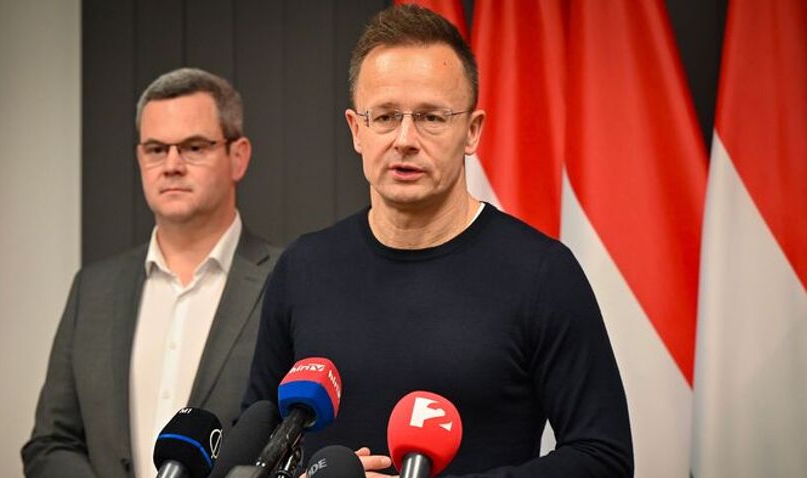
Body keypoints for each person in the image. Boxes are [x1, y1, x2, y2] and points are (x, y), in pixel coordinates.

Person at [242, 5, 632, 477]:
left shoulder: (542, 273)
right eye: (385, 116)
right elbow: (253, 447)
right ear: (356, 130)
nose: (405, 139)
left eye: (431, 117)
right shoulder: (303, 266)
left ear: (472, 131)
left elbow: (603, 458)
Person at [22, 68, 281, 478]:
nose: (172, 165)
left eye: (193, 147)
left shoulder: (285, 279)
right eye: (156, 149)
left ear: (238, 156)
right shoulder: (93, 289)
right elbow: (51, 444)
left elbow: (301, 438)